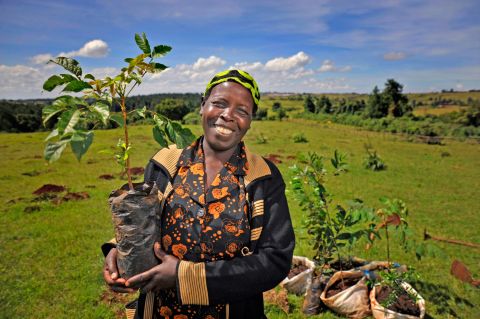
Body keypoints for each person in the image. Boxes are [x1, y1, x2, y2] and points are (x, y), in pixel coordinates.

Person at [102, 69, 295, 319]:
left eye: (242, 110)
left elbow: (275, 261)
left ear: (250, 120)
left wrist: (182, 276)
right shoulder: (166, 162)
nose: (228, 115)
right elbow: (144, 224)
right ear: (202, 106)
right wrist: (120, 252)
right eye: (219, 103)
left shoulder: (262, 177)